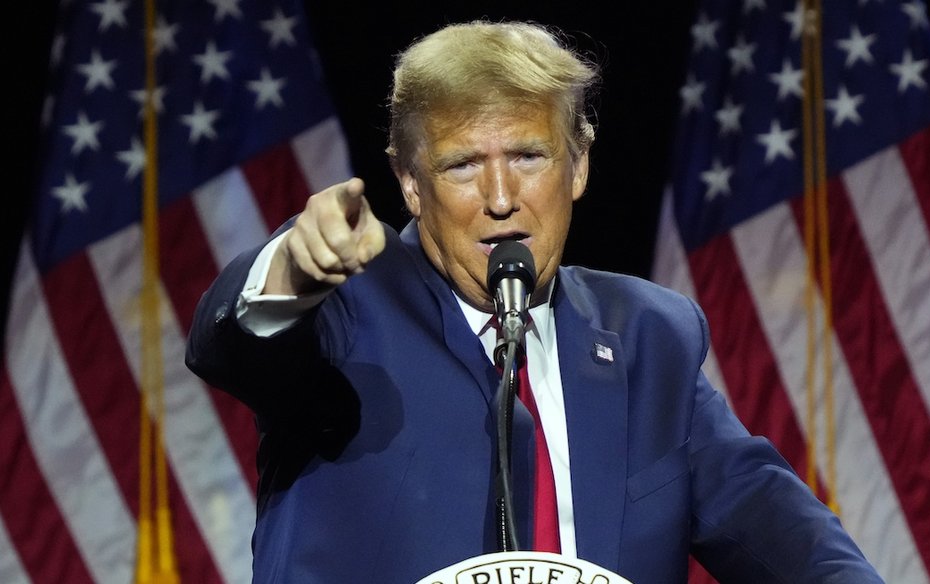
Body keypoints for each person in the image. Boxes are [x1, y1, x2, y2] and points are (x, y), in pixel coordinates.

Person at [186, 19, 884, 583]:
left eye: (527, 156)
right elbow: (234, 348)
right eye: (462, 165)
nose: (499, 199)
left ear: (577, 164)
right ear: (409, 184)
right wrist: (293, 273)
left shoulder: (649, 339)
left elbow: (777, 528)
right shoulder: (350, 309)